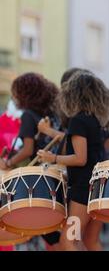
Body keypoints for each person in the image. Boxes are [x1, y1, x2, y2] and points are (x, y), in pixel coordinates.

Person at [37, 72, 109, 251]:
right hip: (95, 187)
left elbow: (80, 159)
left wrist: (53, 158)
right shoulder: (94, 120)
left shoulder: (78, 121)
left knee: (69, 241)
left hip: (83, 190)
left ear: (73, 94)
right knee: (89, 241)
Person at [0, 73, 62, 250]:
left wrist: (8, 161)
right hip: (56, 173)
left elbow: (28, 150)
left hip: (38, 179)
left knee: (44, 229)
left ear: (24, 93)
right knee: (53, 229)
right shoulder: (51, 113)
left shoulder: (28, 115)